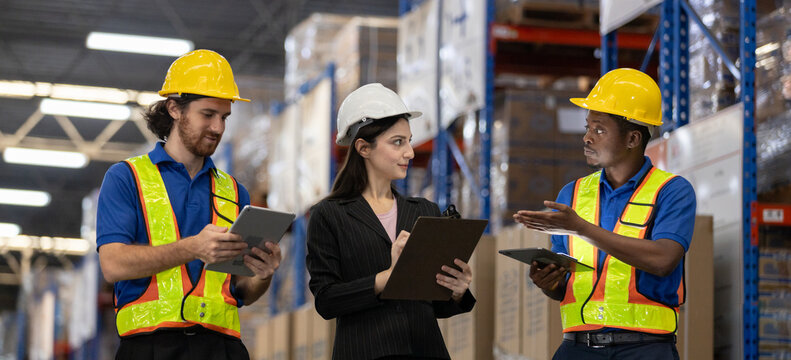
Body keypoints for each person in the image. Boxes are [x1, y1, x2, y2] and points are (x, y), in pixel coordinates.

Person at [96, 49, 281, 360]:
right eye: (207, 114)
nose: (218, 128)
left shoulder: (235, 192)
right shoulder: (127, 178)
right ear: (174, 109)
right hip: (149, 348)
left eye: (224, 117)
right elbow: (112, 265)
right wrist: (192, 248)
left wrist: (264, 274)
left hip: (222, 349)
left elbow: (240, 291)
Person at [513, 68, 696, 360]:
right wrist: (548, 282)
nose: (586, 138)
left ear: (633, 139)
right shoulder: (571, 195)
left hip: (646, 350)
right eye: (587, 127)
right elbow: (566, 288)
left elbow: (663, 260)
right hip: (576, 348)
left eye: (599, 129)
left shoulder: (672, 191)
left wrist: (581, 228)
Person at [306, 83, 476, 360]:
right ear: (363, 148)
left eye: (408, 141)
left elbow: (433, 305)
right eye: (398, 142)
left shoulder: (424, 211)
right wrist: (388, 278)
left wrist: (457, 290)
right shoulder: (330, 215)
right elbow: (326, 300)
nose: (409, 152)